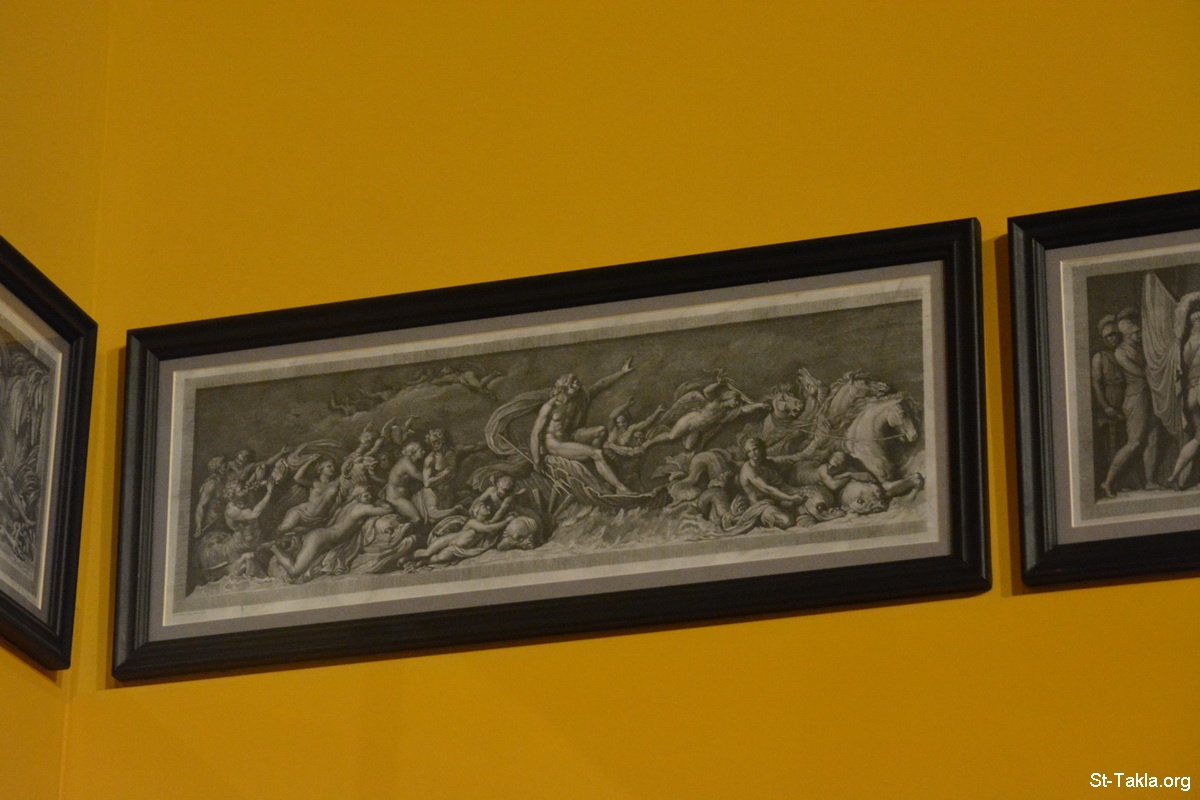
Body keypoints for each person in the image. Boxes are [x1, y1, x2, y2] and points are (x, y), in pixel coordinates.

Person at [529, 358, 637, 493]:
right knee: (597, 453)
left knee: (601, 430)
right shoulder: (550, 407)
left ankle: (596, 465)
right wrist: (537, 460)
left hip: (570, 436)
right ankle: (620, 487)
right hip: (555, 444)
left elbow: (601, 384)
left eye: (576, 380)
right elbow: (535, 434)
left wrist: (622, 372)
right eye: (573, 382)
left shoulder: (580, 397)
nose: (578, 383)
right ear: (565, 388)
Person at [268, 485, 392, 580]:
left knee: (304, 567)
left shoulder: (347, 506)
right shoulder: (362, 508)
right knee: (294, 572)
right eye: (366, 495)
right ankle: (273, 547)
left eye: (370, 495)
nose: (370, 498)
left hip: (321, 536)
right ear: (358, 497)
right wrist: (380, 501)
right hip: (319, 539)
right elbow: (387, 510)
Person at [1101, 312, 1161, 496]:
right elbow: (1140, 373)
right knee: (1134, 443)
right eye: (1136, 332)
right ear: (1127, 334)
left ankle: (1150, 481)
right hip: (1135, 398)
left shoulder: (1139, 347)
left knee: (1153, 438)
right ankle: (1107, 482)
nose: (1139, 334)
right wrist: (1159, 371)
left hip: (1148, 396)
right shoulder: (1120, 352)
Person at [1090, 315, 1126, 477]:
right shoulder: (1099, 357)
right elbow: (1096, 384)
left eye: (1115, 335)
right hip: (1110, 402)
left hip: (1125, 400)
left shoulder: (1123, 353)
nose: (1113, 339)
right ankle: (1112, 480)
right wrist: (1105, 406)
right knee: (1112, 443)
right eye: (1109, 336)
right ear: (1104, 338)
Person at [276, 457, 341, 534]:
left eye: (333, 466)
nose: (333, 468)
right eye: (329, 466)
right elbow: (297, 478)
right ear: (321, 469)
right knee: (285, 528)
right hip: (303, 513)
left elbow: (345, 472)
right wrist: (310, 460)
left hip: (318, 520)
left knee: (296, 533)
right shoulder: (314, 483)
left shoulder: (335, 483)